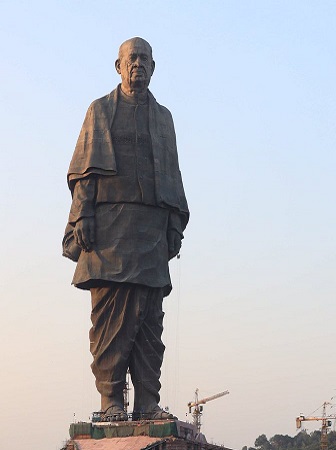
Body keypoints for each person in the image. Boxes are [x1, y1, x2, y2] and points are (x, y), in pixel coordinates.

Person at [63, 37, 189, 421]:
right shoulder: (100, 110)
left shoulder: (164, 117)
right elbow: (85, 170)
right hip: (110, 232)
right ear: (118, 66)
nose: (138, 64)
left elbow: (171, 176)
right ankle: (111, 402)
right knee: (111, 321)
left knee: (150, 322)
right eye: (131, 58)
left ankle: (148, 402)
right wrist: (83, 215)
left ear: (154, 66)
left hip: (150, 231)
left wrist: (172, 226)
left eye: (144, 59)